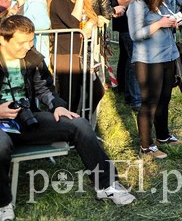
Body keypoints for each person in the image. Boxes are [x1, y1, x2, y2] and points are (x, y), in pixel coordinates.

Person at [0, 16, 135, 219]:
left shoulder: (32, 57)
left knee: (79, 124)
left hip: (28, 119)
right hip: (1, 126)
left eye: (31, 40)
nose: (28, 46)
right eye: (22, 42)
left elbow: (44, 88)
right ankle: (3, 203)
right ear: (3, 39)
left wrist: (57, 105)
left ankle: (107, 185)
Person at [127, 0, 181, 159]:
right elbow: (135, 34)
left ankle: (163, 136)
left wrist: (172, 23)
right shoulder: (137, 4)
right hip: (147, 60)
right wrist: (159, 24)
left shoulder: (159, 4)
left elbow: (164, 21)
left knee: (164, 99)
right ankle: (146, 145)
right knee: (150, 102)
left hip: (167, 56)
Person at [47, 0, 99, 114]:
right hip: (65, 53)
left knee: (94, 90)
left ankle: (81, 120)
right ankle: (66, 126)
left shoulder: (73, 0)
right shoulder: (59, 0)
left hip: (78, 52)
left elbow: (92, 16)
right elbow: (72, 22)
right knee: (69, 95)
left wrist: (90, 22)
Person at [110, 0, 145, 111]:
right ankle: (135, 99)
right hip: (126, 25)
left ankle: (130, 93)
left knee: (131, 60)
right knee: (135, 61)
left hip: (134, 23)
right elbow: (122, 1)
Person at [1, 0, 50, 66]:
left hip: (33, 48)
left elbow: (44, 23)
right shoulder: (14, 3)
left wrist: (20, 27)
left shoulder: (36, 1)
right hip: (17, 50)